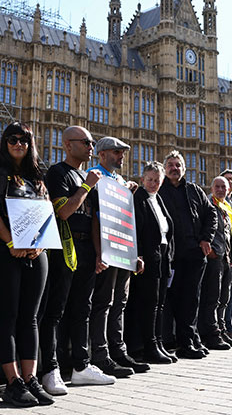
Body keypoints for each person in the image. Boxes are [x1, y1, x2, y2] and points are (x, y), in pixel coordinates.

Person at [0, 122, 54, 407]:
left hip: (36, 253)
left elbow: (46, 214)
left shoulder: (38, 177)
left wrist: (40, 244)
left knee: (31, 317)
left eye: (24, 140)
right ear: (5, 142)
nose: (18, 143)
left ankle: (30, 378)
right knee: (7, 316)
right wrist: (11, 242)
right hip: (4, 250)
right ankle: (12, 382)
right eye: (13, 139)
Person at [39, 126, 114, 392]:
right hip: (63, 248)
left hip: (86, 249)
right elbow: (64, 212)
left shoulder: (86, 176)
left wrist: (98, 252)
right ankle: (50, 369)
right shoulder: (58, 173)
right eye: (86, 142)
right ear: (68, 145)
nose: (91, 146)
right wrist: (86, 186)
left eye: (92, 142)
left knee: (83, 309)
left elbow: (92, 219)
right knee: (56, 311)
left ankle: (80, 367)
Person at [88, 137, 147, 377]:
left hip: (123, 249)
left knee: (120, 301)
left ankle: (118, 351)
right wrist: (99, 251)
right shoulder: (94, 177)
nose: (121, 157)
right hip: (107, 247)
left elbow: (127, 221)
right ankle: (101, 355)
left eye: (123, 153)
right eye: (116, 152)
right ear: (102, 155)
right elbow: (94, 216)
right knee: (103, 302)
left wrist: (135, 253)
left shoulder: (120, 181)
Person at [158, 150, 217, 359]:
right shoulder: (158, 190)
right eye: (171, 165)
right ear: (165, 169)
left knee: (191, 299)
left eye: (178, 165)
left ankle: (188, 341)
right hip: (169, 256)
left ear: (184, 168)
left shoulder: (195, 190)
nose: (174, 168)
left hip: (194, 254)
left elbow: (211, 215)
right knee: (170, 300)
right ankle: (173, 341)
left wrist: (206, 238)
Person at [132, 162, 176, 364]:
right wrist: (139, 254)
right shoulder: (138, 198)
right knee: (149, 304)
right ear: (143, 180)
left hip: (163, 258)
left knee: (159, 304)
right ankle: (148, 347)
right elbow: (135, 230)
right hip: (148, 258)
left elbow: (167, 231)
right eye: (149, 179)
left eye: (157, 180)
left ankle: (158, 344)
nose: (153, 183)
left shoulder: (158, 199)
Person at [201, 176, 232, 350]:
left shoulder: (228, 207)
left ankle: (222, 330)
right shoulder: (208, 204)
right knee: (213, 297)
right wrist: (211, 252)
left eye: (223, 187)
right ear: (211, 188)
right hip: (215, 257)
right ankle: (211, 333)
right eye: (217, 186)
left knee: (225, 297)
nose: (220, 190)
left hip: (228, 257)